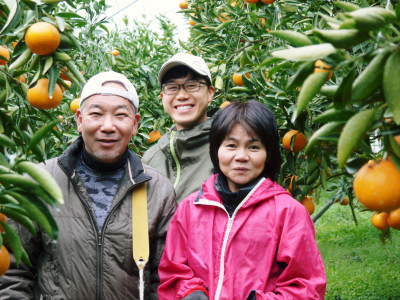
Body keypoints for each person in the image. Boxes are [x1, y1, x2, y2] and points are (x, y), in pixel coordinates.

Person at [0, 71, 177, 299]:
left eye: (120, 115)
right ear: (79, 120)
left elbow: (163, 280)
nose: (108, 126)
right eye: (96, 114)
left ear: (135, 125)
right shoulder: (41, 181)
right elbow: (13, 273)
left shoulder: (157, 191)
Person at [158, 100, 326, 299]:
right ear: (216, 150)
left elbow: (306, 286)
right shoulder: (191, 208)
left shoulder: (288, 212)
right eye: (231, 145)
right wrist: (190, 293)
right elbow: (174, 270)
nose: (241, 156)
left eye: (253, 147)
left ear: (268, 153)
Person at [142, 52, 215, 203]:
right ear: (163, 97)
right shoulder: (151, 158)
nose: (181, 95)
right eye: (172, 87)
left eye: (192, 85)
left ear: (210, 93)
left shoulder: (227, 148)